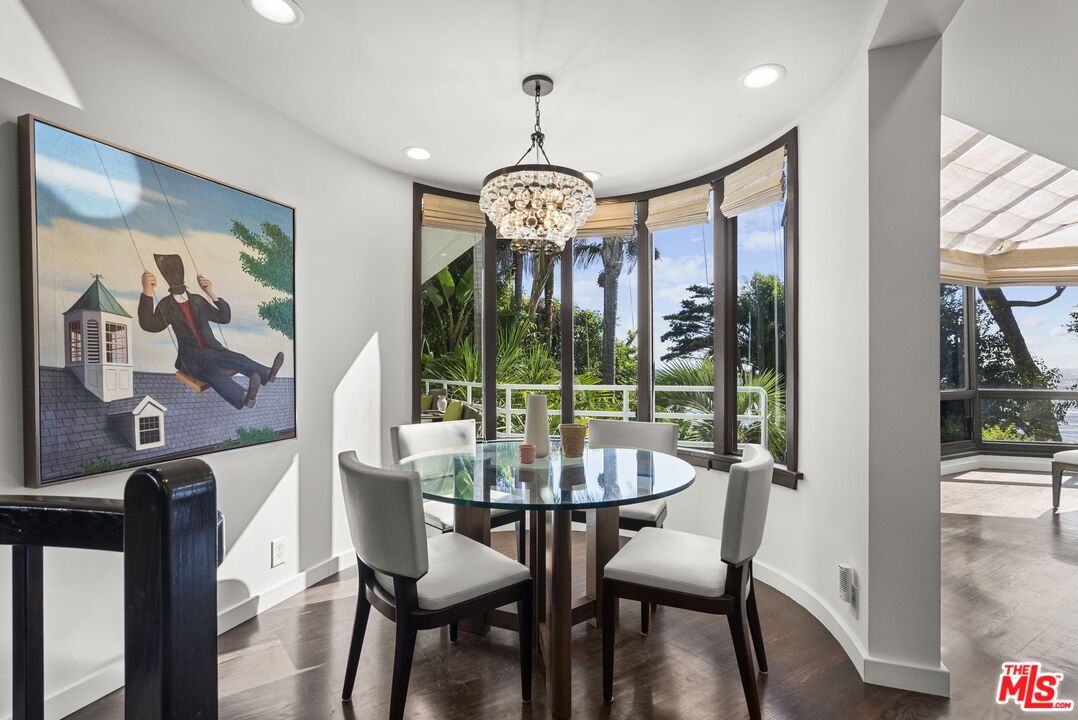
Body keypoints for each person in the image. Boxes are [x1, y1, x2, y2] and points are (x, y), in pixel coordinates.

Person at [138, 254, 284, 410]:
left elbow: (224, 317)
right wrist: (147, 292)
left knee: (236, 357)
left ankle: (266, 374)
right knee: (213, 371)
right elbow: (149, 325)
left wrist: (210, 292)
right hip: (192, 359)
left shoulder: (197, 300)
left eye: (177, 271)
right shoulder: (166, 305)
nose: (175, 275)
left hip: (213, 349)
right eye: (171, 272)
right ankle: (244, 397)